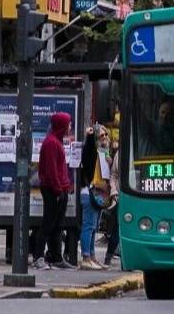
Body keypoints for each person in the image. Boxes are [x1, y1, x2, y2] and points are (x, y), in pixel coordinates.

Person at [33, 112, 74, 270]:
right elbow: (51, 170)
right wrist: (58, 190)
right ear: (62, 126)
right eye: (68, 124)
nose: (70, 127)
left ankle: (56, 257)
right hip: (53, 189)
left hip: (60, 188)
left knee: (58, 225)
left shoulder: (56, 141)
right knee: (48, 224)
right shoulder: (51, 143)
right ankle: (38, 257)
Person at [79, 125, 112, 270]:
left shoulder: (104, 153)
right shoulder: (92, 152)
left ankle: (92, 257)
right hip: (90, 192)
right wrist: (90, 136)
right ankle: (86, 257)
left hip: (100, 194)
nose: (104, 138)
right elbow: (88, 152)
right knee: (88, 226)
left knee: (94, 228)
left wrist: (108, 153)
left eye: (106, 135)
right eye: (101, 136)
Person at [104, 147, 121, 267]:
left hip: (139, 196)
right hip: (121, 196)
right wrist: (114, 192)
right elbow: (113, 175)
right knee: (117, 228)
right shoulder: (120, 153)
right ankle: (108, 256)